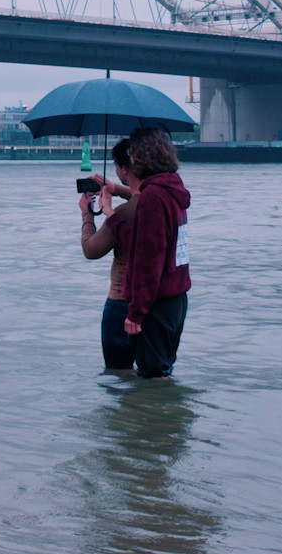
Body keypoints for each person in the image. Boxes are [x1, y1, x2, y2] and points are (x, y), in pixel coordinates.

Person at [109, 127, 192, 378]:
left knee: (152, 379)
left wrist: (136, 312)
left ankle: (153, 418)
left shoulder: (153, 197)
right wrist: (113, 211)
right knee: (162, 371)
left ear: (141, 157)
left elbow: (148, 260)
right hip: (175, 300)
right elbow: (145, 244)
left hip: (155, 304)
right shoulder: (172, 190)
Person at [79, 137, 140, 371]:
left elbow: (90, 250)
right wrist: (116, 189)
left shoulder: (123, 214)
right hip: (156, 302)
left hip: (122, 303)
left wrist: (88, 214)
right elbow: (139, 197)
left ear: (123, 168)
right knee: (151, 371)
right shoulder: (159, 202)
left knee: (118, 375)